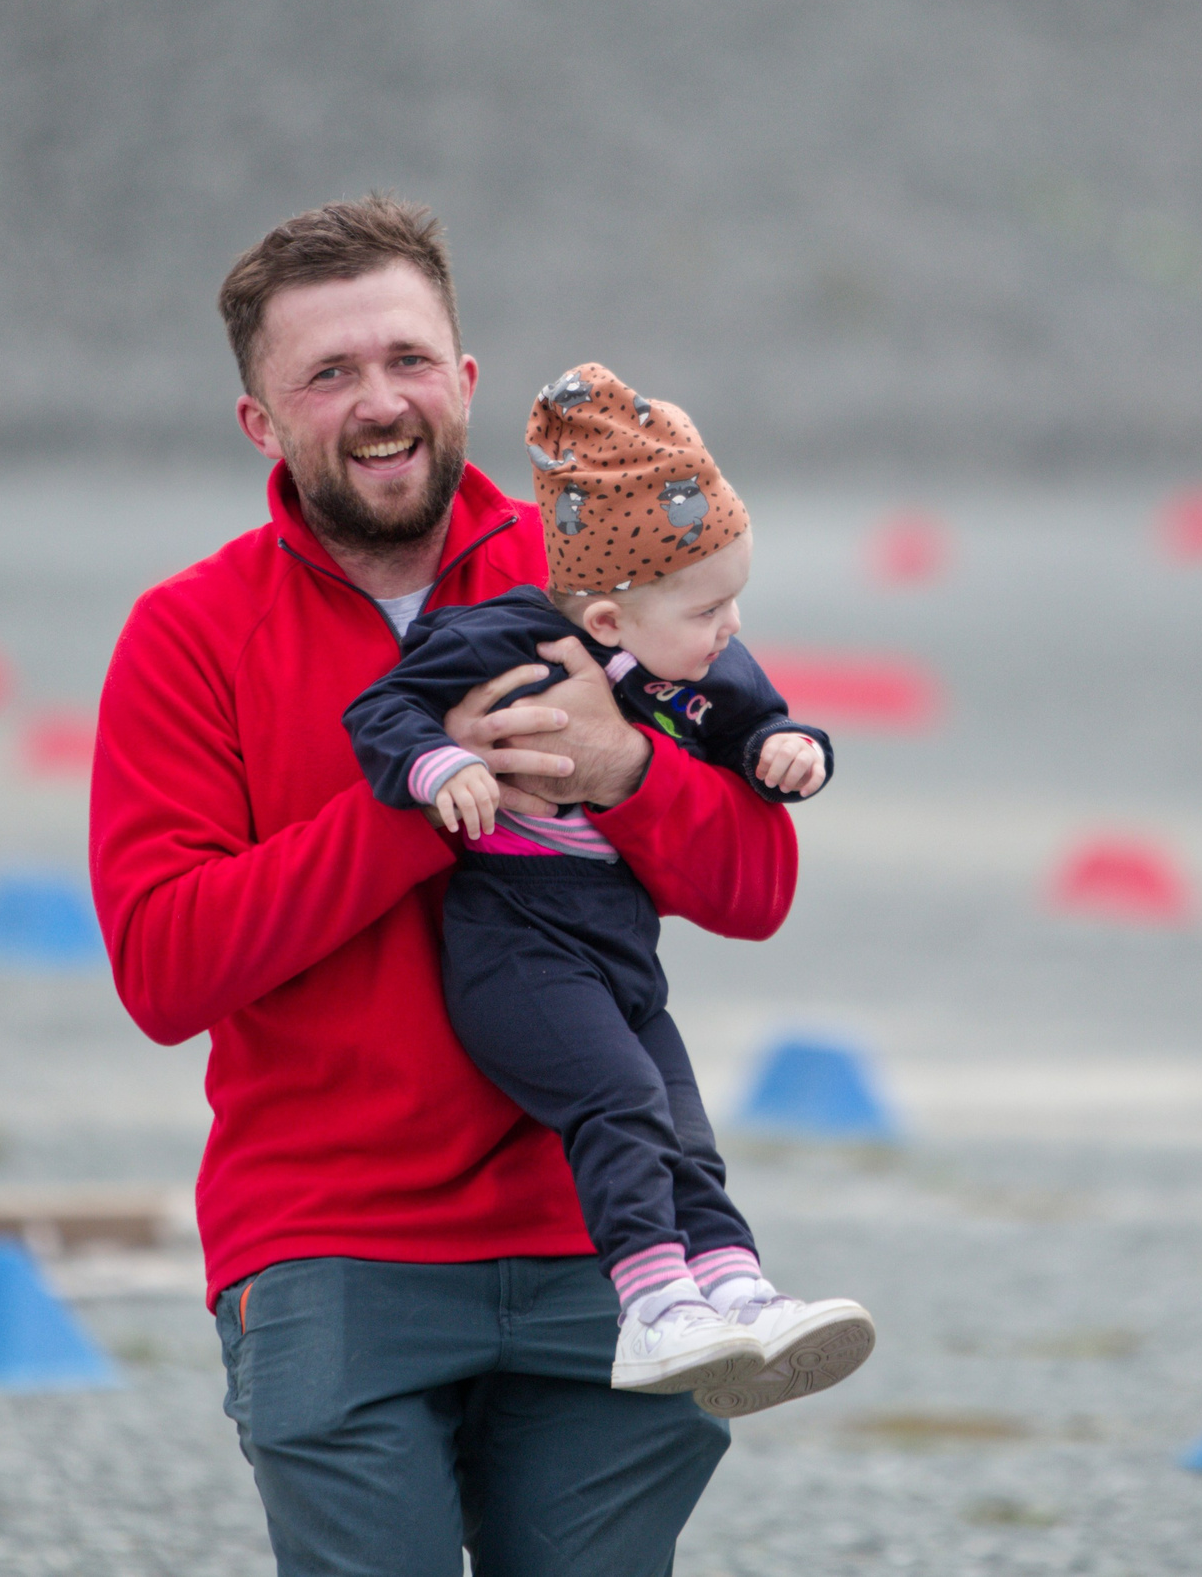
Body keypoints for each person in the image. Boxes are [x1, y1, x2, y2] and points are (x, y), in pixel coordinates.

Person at [89, 195, 798, 1576]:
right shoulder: (185, 633)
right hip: (329, 1243)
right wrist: (425, 801)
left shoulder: (597, 576)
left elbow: (761, 882)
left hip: (605, 1235)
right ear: (262, 421)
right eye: (329, 374)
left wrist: (620, 770)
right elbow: (164, 969)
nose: (379, 403)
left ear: (465, 379)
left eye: (408, 359)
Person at [344, 363, 875, 1418]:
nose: (733, 629)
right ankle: (650, 1304)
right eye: (711, 607)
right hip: (516, 946)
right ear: (607, 615)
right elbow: (380, 711)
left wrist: (788, 746)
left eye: (737, 600)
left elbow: (756, 718)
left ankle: (731, 1282)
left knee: (682, 1117)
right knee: (621, 1101)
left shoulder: (699, 664)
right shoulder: (499, 637)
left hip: (620, 949)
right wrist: (437, 765)